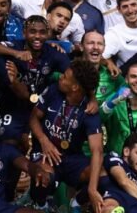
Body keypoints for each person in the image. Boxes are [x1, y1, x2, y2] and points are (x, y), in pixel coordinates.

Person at [28, 59, 104, 213]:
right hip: (45, 153)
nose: (60, 77)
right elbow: (33, 118)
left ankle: (77, 202)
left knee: (102, 174)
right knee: (43, 177)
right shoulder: (53, 90)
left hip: (71, 158)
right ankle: (40, 204)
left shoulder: (89, 109)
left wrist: (92, 189)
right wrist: (43, 140)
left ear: (75, 87)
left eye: (65, 77)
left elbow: (97, 150)